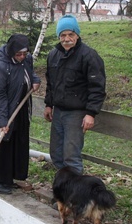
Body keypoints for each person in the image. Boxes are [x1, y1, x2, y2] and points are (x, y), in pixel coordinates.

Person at [0, 34, 41, 195]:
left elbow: (29, 72)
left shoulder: (27, 59)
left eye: (24, 54)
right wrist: (2, 120)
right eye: (18, 54)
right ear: (11, 51)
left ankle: (9, 177)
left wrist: (35, 79)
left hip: (19, 107)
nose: (22, 57)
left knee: (15, 142)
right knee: (1, 143)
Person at [43, 14, 106, 174]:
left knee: (71, 157)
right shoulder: (53, 55)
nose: (67, 38)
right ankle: (62, 191)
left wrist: (91, 113)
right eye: (63, 35)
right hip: (58, 112)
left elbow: (97, 87)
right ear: (59, 36)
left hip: (76, 114)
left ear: (77, 34)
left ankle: (73, 196)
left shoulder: (89, 56)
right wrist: (49, 104)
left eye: (71, 34)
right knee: (56, 154)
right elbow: (51, 83)